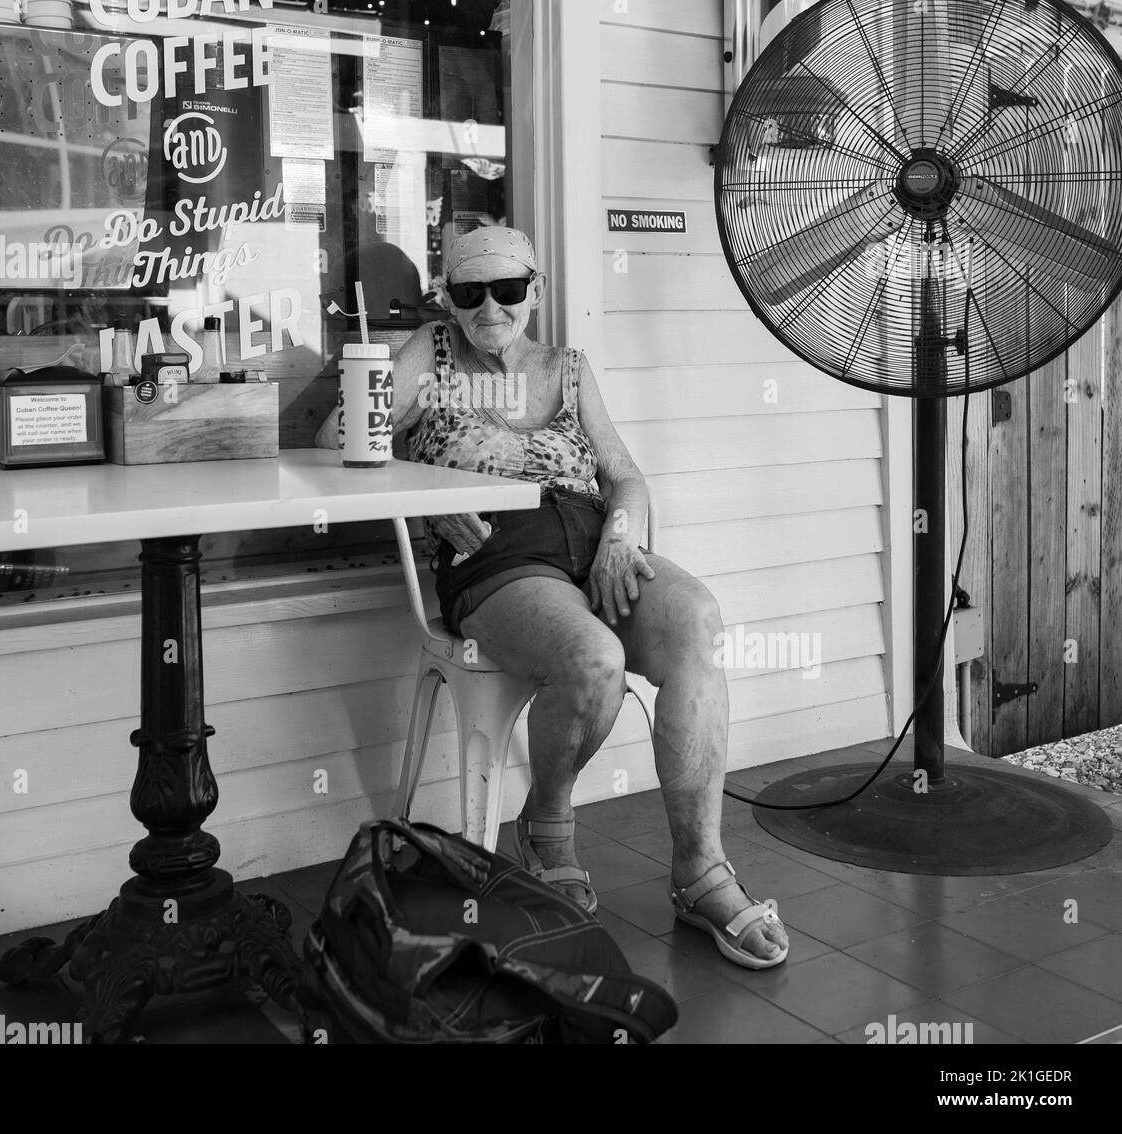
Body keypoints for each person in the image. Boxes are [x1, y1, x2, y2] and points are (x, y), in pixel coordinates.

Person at [316, 225, 789, 968]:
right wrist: (423, 499)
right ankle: (548, 826)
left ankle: (701, 872)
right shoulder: (430, 354)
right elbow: (337, 438)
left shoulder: (567, 368)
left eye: (508, 290)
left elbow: (625, 475)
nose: (490, 309)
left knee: (697, 620)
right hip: (497, 558)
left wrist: (622, 536)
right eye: (469, 293)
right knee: (593, 658)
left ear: (535, 289)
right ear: (448, 297)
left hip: (594, 544)